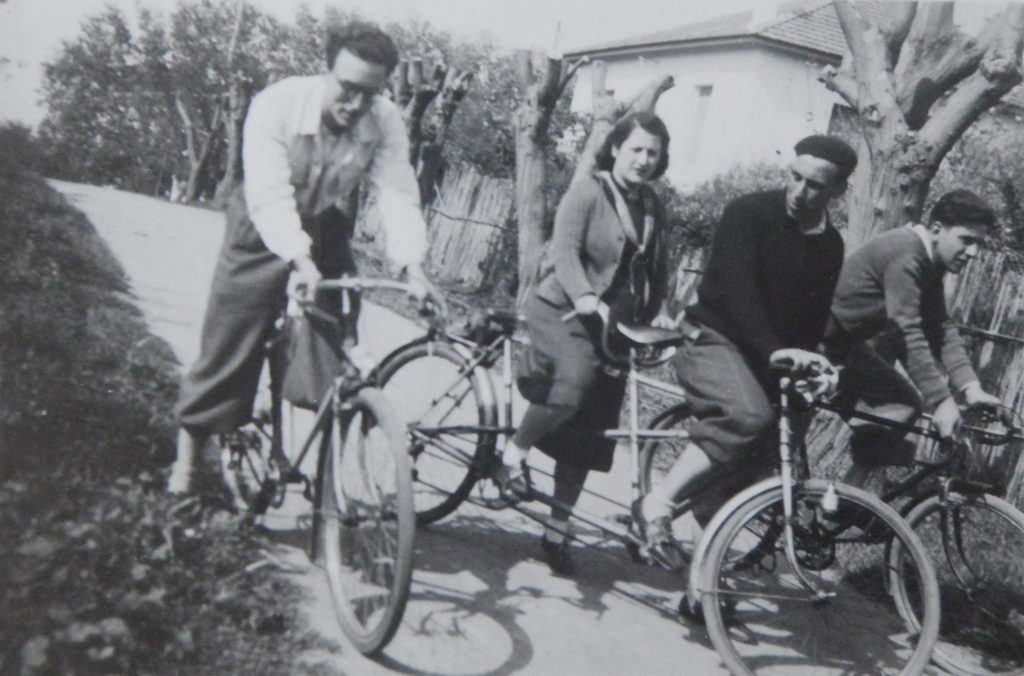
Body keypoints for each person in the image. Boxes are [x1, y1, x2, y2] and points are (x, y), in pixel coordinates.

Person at [167, 21, 435, 493]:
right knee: (231, 335)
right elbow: (269, 196)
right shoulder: (278, 104)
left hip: (324, 220)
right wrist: (299, 261)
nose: (355, 106)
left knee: (339, 338)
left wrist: (413, 267)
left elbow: (396, 191)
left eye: (369, 95)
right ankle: (188, 463)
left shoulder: (384, 119)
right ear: (326, 72)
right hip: (260, 221)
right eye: (347, 89)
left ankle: (321, 462)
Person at [637, 135, 857, 560]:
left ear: (837, 191)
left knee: (769, 449)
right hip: (712, 337)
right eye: (794, 177)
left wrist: (811, 365)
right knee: (747, 416)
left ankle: (702, 584)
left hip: (763, 354)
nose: (799, 191)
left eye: (814, 185)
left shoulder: (830, 245)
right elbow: (740, 293)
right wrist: (775, 352)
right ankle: (657, 503)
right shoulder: (749, 213)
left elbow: (811, 317)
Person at [505, 112, 676, 576]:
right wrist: (583, 296)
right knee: (572, 389)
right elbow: (563, 250)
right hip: (564, 311)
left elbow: (658, 265)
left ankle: (557, 531)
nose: (643, 160)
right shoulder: (588, 191)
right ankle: (514, 452)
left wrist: (659, 307)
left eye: (653, 153)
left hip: (614, 326)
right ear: (616, 148)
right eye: (636, 149)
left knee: (589, 434)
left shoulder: (653, 206)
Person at [824, 189, 1002, 488]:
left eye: (979, 245)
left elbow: (940, 327)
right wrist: (942, 400)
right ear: (936, 230)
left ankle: (841, 501)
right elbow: (906, 328)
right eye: (966, 240)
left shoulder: (929, 263)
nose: (973, 253)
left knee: (902, 403)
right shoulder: (905, 251)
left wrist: (971, 388)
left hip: (843, 347)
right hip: (815, 342)